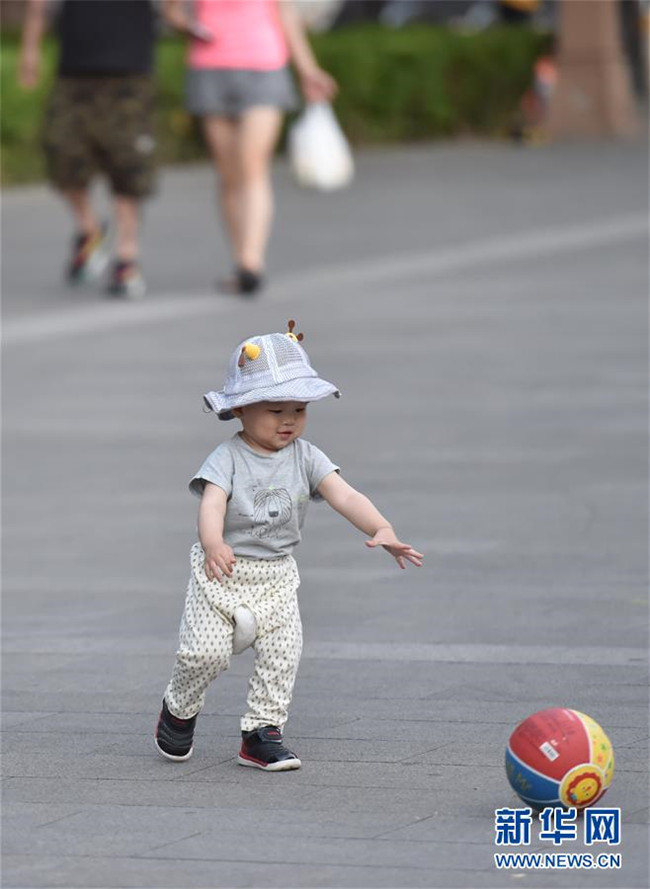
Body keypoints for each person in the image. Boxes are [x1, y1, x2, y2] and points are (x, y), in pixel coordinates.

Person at [155, 321, 423, 770]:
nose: (289, 420)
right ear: (240, 410)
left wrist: (382, 528)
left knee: (282, 654)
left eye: (299, 409)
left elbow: (344, 495)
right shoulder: (227, 457)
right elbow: (212, 503)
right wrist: (213, 542)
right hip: (222, 571)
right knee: (204, 654)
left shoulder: (307, 456)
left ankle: (261, 733)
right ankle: (179, 707)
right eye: (276, 409)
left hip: (277, 575)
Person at [163, 0, 338, 295]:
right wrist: (188, 26)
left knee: (252, 166)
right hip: (211, 68)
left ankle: (250, 262)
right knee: (229, 174)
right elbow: (172, 12)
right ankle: (240, 258)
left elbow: (285, 14)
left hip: (263, 67)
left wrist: (308, 70)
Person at [18, 0, 157, 299]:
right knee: (61, 152)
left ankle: (126, 258)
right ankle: (90, 229)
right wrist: (30, 48)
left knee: (128, 165)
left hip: (129, 68)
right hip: (74, 69)